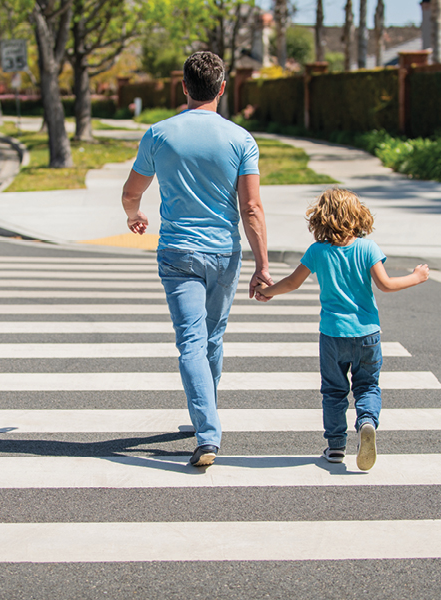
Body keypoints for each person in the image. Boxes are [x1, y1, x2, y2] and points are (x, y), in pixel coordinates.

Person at [121, 51, 271, 468]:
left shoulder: (158, 134)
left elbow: (131, 192)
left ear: (184, 86)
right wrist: (262, 265)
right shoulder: (241, 139)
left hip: (177, 252)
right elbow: (252, 208)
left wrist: (134, 215)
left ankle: (207, 432)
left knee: (191, 340)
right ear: (222, 88)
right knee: (212, 338)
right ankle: (207, 416)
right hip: (223, 253)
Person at [255, 188, 428, 471]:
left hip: (333, 334)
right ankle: (367, 421)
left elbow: (293, 282)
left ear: (320, 218)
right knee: (367, 385)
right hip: (367, 333)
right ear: (358, 215)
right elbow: (385, 285)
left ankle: (336, 446)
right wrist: (416, 277)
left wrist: (267, 291)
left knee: (334, 391)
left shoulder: (317, 251)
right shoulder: (368, 248)